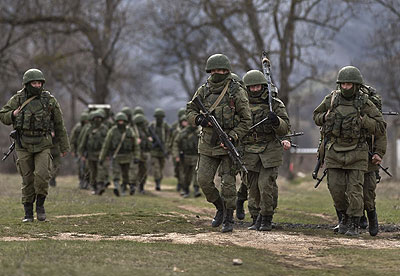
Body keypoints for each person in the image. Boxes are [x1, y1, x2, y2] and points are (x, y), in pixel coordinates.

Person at [313, 65, 386, 236]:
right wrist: (325, 117)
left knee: (356, 191)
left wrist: (364, 121)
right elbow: (316, 116)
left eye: (349, 84)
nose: (345, 87)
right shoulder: (331, 99)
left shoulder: (364, 103)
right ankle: (343, 219)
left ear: (356, 85)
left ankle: (354, 223)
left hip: (358, 151)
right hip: (334, 150)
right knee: (335, 188)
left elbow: (381, 126)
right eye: (343, 84)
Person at [186, 53, 252, 233]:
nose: (217, 73)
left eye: (221, 70)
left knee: (228, 184)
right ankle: (220, 207)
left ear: (227, 71)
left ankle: (229, 217)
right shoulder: (204, 90)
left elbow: (247, 120)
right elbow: (190, 109)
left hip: (228, 145)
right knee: (203, 180)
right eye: (214, 70)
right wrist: (199, 119)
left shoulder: (236, 91)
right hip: (208, 144)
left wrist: (233, 136)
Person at [0, 68, 70, 222]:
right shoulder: (18, 99)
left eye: (39, 83)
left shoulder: (49, 100)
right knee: (27, 179)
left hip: (43, 144)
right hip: (23, 144)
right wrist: (13, 114)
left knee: (43, 176)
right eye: (34, 83)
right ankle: (28, 213)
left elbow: (59, 124)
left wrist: (64, 146)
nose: (37, 85)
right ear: (27, 84)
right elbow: (3, 115)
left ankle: (40, 206)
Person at [241, 70, 291, 231]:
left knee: (266, 185)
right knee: (252, 186)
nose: (255, 90)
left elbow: (285, 128)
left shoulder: (275, 104)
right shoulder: (241, 104)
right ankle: (255, 217)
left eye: (258, 86)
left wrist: (276, 121)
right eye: (251, 87)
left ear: (263, 86)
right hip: (249, 149)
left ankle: (267, 217)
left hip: (270, 148)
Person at [99, 112, 140, 196]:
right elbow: (106, 146)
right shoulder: (112, 131)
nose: (121, 123)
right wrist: (101, 157)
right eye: (119, 121)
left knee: (126, 174)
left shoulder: (130, 131)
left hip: (128, 156)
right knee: (116, 173)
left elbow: (135, 146)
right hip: (116, 156)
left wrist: (137, 156)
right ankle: (117, 187)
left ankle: (124, 187)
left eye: (122, 121)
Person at [78, 110, 109, 195]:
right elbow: (83, 141)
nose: (97, 120)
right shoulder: (88, 129)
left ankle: (100, 185)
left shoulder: (105, 129)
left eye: (99, 118)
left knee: (101, 170)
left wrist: (108, 153)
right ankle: (94, 187)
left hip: (101, 153)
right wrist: (81, 153)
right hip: (91, 154)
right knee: (93, 171)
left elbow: (108, 142)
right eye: (96, 118)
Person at [172, 115, 201, 198]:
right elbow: (176, 144)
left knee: (196, 173)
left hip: (196, 156)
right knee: (186, 175)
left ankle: (196, 189)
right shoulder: (183, 133)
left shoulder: (199, 132)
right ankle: (186, 190)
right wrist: (176, 155)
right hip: (185, 156)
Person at [149, 108, 170, 191]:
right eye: (158, 117)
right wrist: (151, 141)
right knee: (156, 168)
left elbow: (169, 135)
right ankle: (157, 183)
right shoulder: (152, 126)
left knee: (161, 168)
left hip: (162, 151)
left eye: (160, 117)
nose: (159, 119)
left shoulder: (165, 126)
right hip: (154, 151)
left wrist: (167, 147)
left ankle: (159, 181)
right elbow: (147, 136)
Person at [132, 113, 153, 194]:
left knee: (143, 171)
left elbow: (150, 145)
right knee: (134, 171)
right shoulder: (134, 131)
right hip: (136, 153)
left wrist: (149, 141)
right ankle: (133, 185)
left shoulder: (145, 131)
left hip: (144, 154)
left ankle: (141, 187)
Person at [168, 107, 187, 193]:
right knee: (177, 169)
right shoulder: (175, 127)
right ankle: (179, 182)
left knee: (183, 169)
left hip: (186, 152)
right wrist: (171, 150)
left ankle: (182, 184)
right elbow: (171, 139)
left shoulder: (189, 127)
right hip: (176, 150)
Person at [70, 111, 90, 189]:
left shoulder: (89, 127)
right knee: (80, 166)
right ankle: (81, 181)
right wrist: (73, 150)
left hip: (87, 150)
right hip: (79, 150)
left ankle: (87, 181)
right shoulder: (77, 128)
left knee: (87, 167)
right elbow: (72, 139)